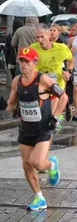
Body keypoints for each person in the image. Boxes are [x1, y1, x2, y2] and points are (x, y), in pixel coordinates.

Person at [0, 48, 67, 210]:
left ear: (35, 63)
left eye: (26, 61)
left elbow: (63, 97)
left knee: (37, 162)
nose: (23, 65)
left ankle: (51, 165)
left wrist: (55, 117)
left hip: (44, 127)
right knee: (27, 165)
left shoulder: (43, 80)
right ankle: (40, 198)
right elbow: (11, 106)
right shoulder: (17, 81)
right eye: (21, 61)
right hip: (26, 129)